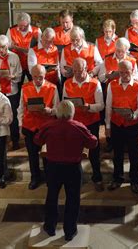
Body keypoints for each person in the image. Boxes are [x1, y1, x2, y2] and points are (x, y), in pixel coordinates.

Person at [34, 100, 97, 241]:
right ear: (72, 112)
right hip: (72, 169)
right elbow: (93, 143)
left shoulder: (49, 126)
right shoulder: (78, 126)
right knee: (73, 199)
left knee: (52, 197)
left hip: (53, 167)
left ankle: (50, 227)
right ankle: (70, 231)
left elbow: (37, 140)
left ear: (57, 112)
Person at [63, 58, 105, 191]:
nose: (76, 74)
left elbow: (101, 105)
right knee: (74, 152)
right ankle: (77, 178)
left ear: (86, 69)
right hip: (74, 123)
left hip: (91, 122)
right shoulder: (67, 83)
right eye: (74, 71)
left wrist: (88, 107)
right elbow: (64, 103)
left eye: (79, 71)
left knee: (94, 151)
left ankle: (97, 177)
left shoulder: (95, 83)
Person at [105, 60, 138, 194]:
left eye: (126, 72)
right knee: (117, 154)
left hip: (132, 125)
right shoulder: (112, 85)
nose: (124, 75)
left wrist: (134, 115)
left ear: (132, 70)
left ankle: (135, 180)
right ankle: (117, 178)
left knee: (134, 154)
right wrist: (108, 126)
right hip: (117, 125)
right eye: (121, 72)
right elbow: (108, 106)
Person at [18, 64, 59, 190]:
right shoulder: (25, 87)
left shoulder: (52, 88)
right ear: (31, 75)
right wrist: (20, 126)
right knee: (32, 154)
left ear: (45, 75)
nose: (38, 80)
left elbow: (57, 109)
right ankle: (35, 177)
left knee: (47, 154)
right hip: (30, 126)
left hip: (46, 126)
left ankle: (49, 177)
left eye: (40, 77)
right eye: (35, 77)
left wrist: (49, 111)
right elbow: (20, 109)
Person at [0, 35, 22, 150]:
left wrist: (13, 76)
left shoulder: (14, 57)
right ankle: (1, 141)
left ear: (7, 45)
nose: (1, 50)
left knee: (13, 116)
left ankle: (15, 140)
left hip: (12, 90)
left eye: (3, 47)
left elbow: (20, 74)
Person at [6, 12, 41, 83]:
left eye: (25, 26)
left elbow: (41, 47)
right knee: (17, 85)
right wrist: (11, 46)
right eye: (20, 26)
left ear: (29, 23)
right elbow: (7, 45)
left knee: (34, 84)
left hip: (32, 63)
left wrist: (18, 48)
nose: (22, 28)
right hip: (17, 63)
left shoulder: (37, 30)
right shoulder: (11, 30)